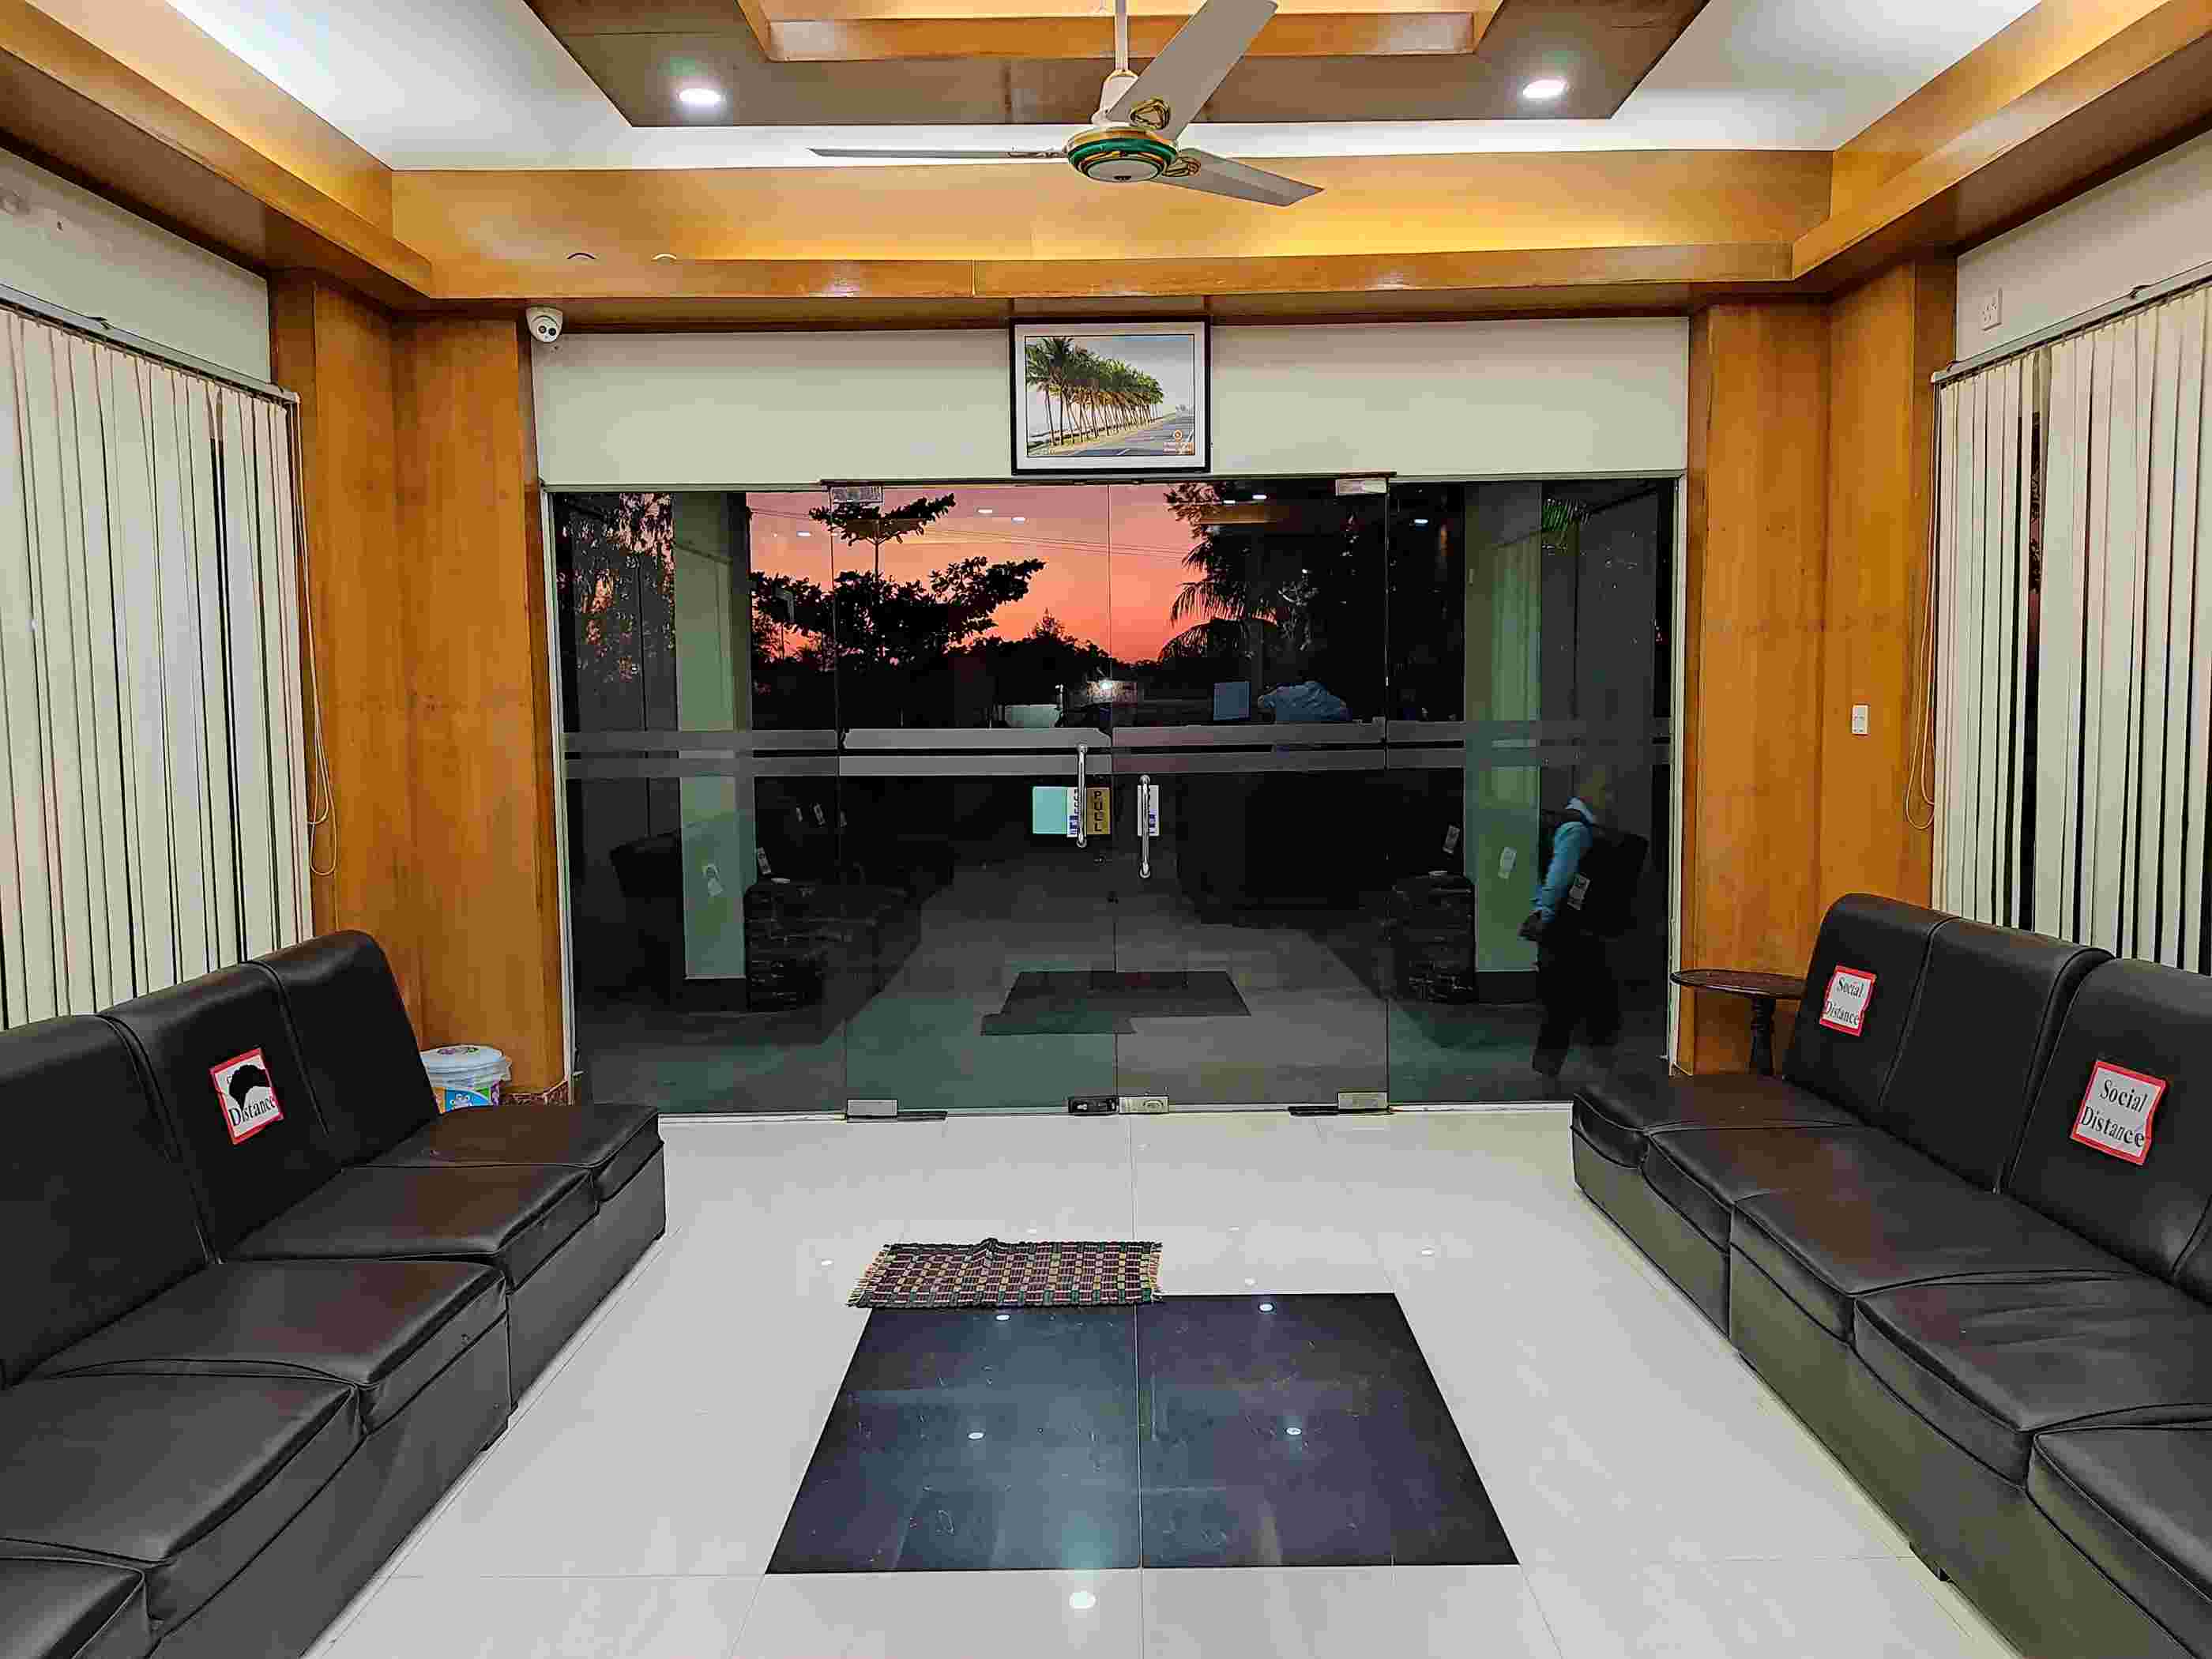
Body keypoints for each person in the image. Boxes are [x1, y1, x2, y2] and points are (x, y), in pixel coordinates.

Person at [1520, 769, 1622, 1082]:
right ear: (1587, 789)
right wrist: (1545, 916)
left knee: (1571, 1004)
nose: (1610, 798)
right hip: (1568, 932)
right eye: (1605, 790)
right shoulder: (1577, 829)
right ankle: (1565, 1072)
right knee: (1568, 1005)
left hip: (1567, 931)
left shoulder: (1566, 822)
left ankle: (1562, 1070)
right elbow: (1559, 878)